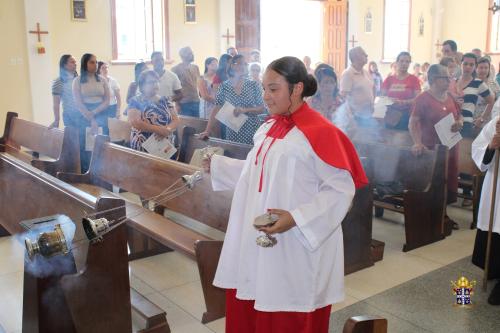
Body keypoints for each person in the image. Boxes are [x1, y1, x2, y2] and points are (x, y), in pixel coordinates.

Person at [203, 56, 368, 333]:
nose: (266, 96)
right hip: (261, 241)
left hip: (298, 244)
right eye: (264, 88)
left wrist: (296, 218)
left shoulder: (321, 132)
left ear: (297, 88)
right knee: (255, 300)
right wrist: (218, 166)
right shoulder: (269, 127)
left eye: (273, 89)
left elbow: (340, 191)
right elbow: (261, 173)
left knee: (286, 313)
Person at [409, 64, 463, 230]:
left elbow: (459, 117)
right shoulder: (423, 98)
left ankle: (443, 214)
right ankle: (429, 216)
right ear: (433, 79)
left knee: (448, 181)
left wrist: (459, 123)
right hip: (431, 149)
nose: (449, 80)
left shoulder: (451, 97)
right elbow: (413, 123)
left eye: (449, 77)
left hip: (450, 148)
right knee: (434, 182)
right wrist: (417, 142)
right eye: (445, 78)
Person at [201, 55, 265, 144]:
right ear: (232, 65)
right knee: (232, 154)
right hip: (232, 129)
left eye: (244, 64)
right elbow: (216, 108)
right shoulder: (224, 86)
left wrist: (245, 110)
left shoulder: (253, 85)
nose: (242, 66)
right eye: (238, 63)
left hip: (251, 128)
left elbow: (261, 108)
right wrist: (207, 131)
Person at [471, 116, 500, 305]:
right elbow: (478, 147)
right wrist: (492, 145)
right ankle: (495, 269)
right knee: (495, 225)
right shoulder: (498, 121)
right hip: (496, 185)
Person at [72, 53, 110, 173]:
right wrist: (91, 117)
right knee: (86, 147)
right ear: (85, 64)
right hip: (84, 114)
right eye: (92, 62)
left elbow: (107, 100)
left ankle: (102, 173)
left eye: (96, 61)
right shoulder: (77, 81)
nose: (95, 64)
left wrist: (95, 113)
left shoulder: (102, 80)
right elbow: (78, 102)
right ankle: (86, 173)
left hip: (101, 112)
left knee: (101, 145)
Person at [126, 70, 179, 152]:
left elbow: (176, 120)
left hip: (165, 145)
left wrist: (167, 129)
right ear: (142, 85)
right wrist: (160, 130)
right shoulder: (136, 100)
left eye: (157, 81)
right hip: (143, 145)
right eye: (151, 82)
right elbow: (135, 122)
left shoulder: (165, 100)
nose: (155, 84)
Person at [453, 53, 494, 137]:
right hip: (450, 122)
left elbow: (491, 101)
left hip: (466, 124)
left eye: (471, 65)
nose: (468, 67)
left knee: (463, 149)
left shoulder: (478, 83)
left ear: (475, 67)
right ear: (460, 64)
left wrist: (482, 118)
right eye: (465, 64)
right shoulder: (453, 82)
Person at [381, 52, 421, 130]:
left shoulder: (414, 79)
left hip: (406, 116)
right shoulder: (389, 79)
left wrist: (403, 102)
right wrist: (389, 100)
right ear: (397, 62)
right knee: (389, 139)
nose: (404, 64)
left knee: (403, 140)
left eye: (407, 61)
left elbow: (418, 99)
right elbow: (382, 97)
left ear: (409, 64)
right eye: (401, 61)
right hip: (390, 115)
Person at [339, 46, 374, 127]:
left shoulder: (366, 72)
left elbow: (371, 89)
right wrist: (351, 116)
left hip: (368, 115)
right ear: (356, 57)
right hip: (355, 117)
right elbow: (343, 97)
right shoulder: (348, 74)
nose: (367, 55)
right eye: (364, 54)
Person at [171, 47, 201, 117]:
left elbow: (198, 83)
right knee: (187, 126)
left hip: (196, 100)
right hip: (184, 103)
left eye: (192, 52)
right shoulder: (176, 69)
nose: (192, 54)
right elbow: (174, 88)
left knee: (197, 125)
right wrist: (177, 104)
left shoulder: (195, 67)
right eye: (190, 53)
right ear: (183, 56)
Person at [50, 54, 78, 128]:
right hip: (70, 117)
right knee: (74, 139)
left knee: (85, 139)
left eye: (75, 62)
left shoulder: (79, 79)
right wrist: (56, 120)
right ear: (65, 65)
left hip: (83, 116)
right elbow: (56, 104)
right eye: (72, 62)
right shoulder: (59, 81)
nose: (75, 64)